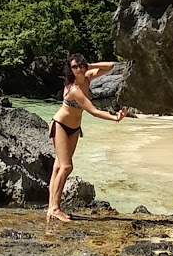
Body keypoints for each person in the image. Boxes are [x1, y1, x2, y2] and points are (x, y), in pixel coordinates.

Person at [47, 54, 132, 223]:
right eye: (74, 67)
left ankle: (52, 208)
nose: (78, 69)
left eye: (81, 66)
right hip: (60, 126)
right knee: (66, 167)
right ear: (70, 70)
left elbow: (111, 66)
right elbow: (93, 111)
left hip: (74, 128)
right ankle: (54, 208)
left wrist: (90, 65)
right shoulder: (74, 89)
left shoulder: (87, 77)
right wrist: (115, 118)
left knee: (58, 167)